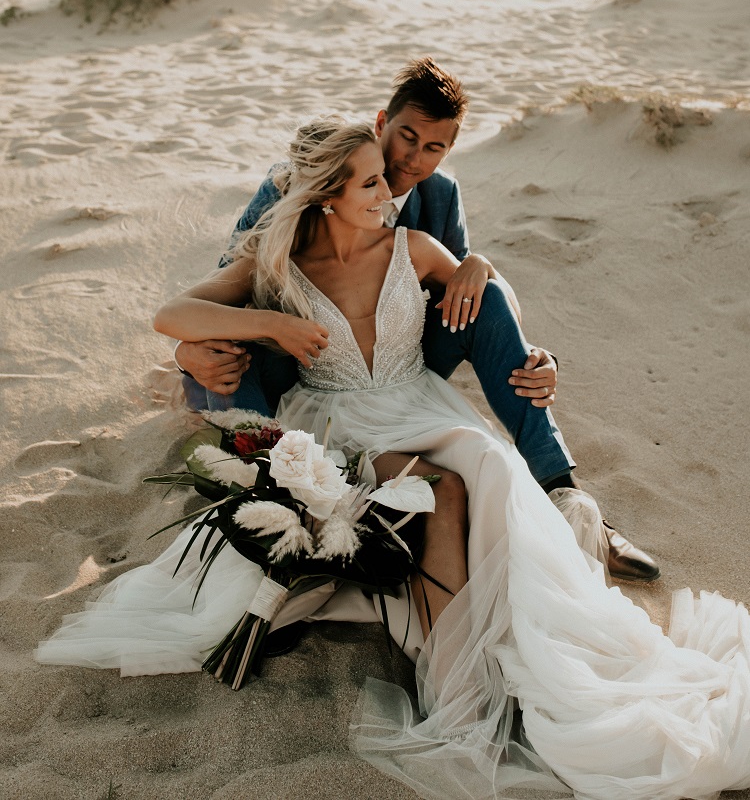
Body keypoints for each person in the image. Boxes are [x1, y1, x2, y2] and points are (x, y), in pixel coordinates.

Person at [38, 117, 750, 800]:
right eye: (371, 186)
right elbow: (173, 316)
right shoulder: (277, 264)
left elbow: (482, 288)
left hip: (422, 404)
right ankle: (457, 695)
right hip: (339, 420)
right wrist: (271, 321)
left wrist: (489, 278)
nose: (389, 196)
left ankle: (526, 639)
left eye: (386, 182)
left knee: (490, 465)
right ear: (326, 196)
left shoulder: (412, 248)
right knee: (440, 493)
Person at [175, 57, 657, 583]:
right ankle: (267, 498)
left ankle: (566, 495)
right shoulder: (299, 182)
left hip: (398, 362)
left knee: (489, 296)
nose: (413, 160)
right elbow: (226, 284)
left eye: (435, 148)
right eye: (407, 138)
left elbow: (474, 300)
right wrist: (185, 351)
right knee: (226, 346)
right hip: (300, 363)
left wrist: (527, 343)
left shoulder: (440, 196)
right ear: (382, 124)